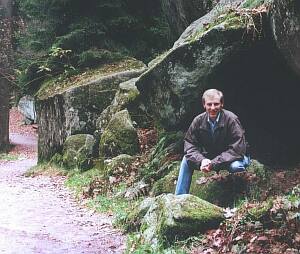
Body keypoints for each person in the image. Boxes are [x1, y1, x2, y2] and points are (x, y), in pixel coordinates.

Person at [175, 89, 250, 195]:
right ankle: (179, 199)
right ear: (204, 105)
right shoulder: (198, 121)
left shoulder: (232, 119)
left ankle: (239, 196)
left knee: (236, 167)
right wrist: (202, 160)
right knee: (186, 160)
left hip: (232, 158)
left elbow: (237, 150)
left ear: (222, 104)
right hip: (210, 157)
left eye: (216, 104)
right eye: (209, 104)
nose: (213, 108)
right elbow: (189, 145)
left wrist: (213, 163)